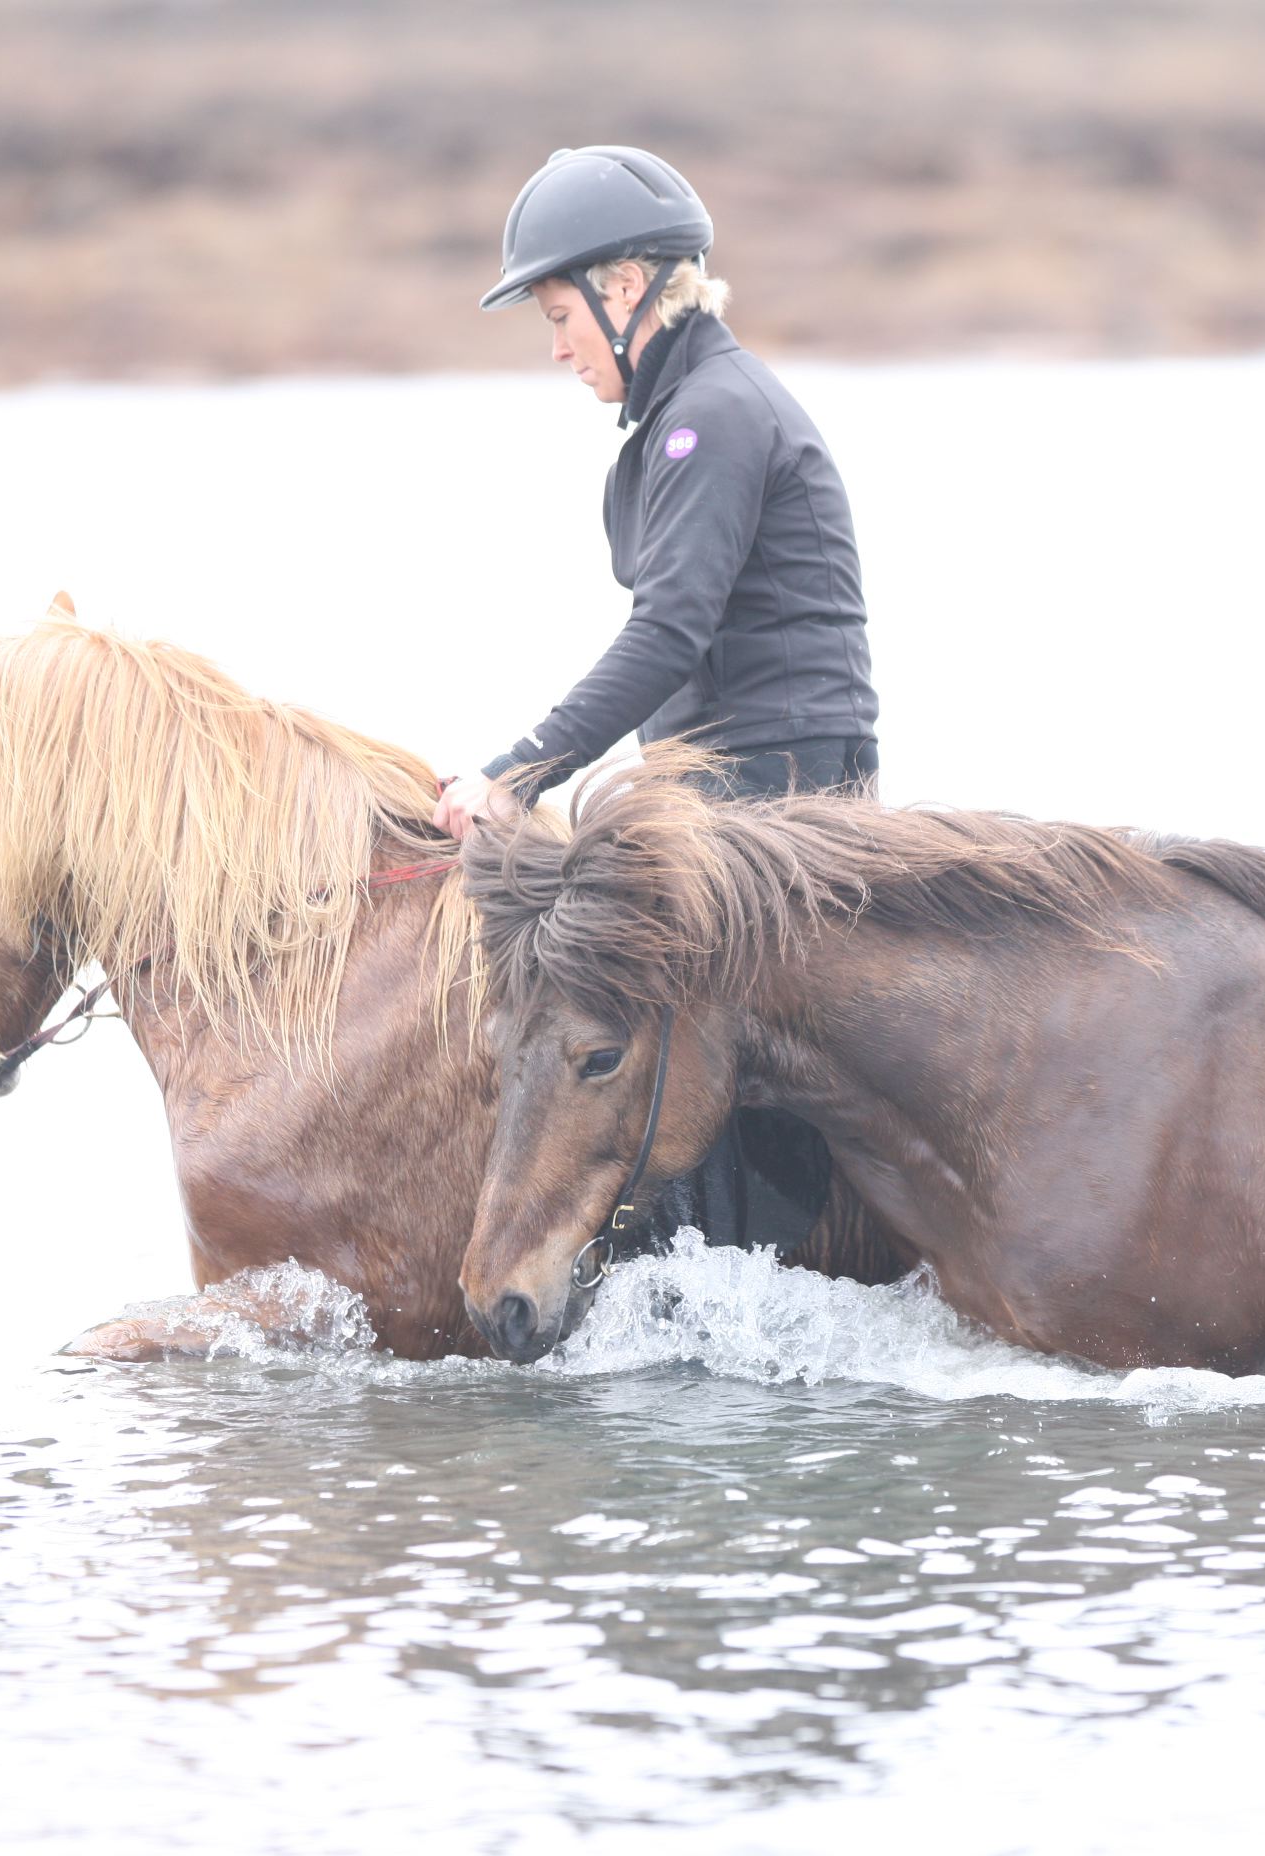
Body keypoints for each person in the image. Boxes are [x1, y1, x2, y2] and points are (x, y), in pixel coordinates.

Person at [438, 144, 882, 1254]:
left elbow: (668, 633)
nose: (558, 348)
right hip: (741, 779)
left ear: (626, 288)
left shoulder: (710, 416)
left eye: (560, 318)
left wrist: (518, 773)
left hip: (773, 789)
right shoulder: (691, 409)